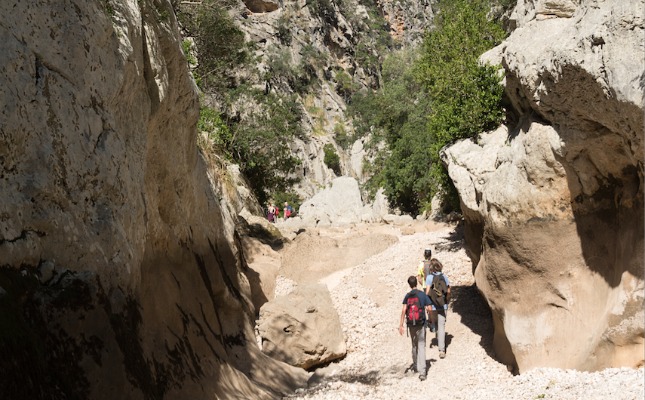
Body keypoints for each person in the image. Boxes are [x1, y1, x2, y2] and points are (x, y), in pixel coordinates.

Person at [399, 275, 433, 381]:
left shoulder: (407, 296)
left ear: (409, 285)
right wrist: (430, 319)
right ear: (416, 284)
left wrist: (400, 325)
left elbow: (404, 310)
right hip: (421, 323)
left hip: (411, 325)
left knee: (414, 345)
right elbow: (430, 308)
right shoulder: (422, 295)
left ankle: (415, 366)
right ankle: (423, 372)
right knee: (421, 345)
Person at [425, 258, 451, 359]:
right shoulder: (444, 276)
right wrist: (447, 300)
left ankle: (436, 334)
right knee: (442, 326)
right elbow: (448, 291)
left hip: (433, 305)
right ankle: (441, 350)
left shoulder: (429, 277)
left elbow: (427, 292)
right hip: (443, 305)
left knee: (435, 324)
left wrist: (427, 304)